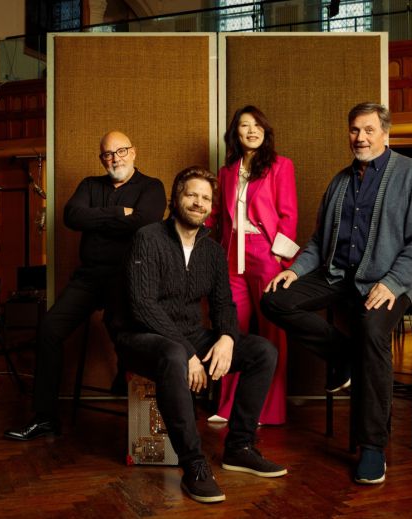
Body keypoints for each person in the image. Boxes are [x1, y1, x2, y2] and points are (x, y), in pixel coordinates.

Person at [261, 102, 412, 485]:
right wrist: (294, 271)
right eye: (355, 130)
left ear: (385, 133)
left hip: (392, 279)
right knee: (275, 299)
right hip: (339, 274)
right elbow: (318, 241)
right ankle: (343, 356)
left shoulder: (411, 173)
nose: (361, 138)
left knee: (371, 330)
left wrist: (392, 282)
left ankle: (372, 446)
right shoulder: (340, 182)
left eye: (369, 130)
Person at [111, 166, 287, 504]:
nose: (198, 202)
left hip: (189, 337)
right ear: (176, 198)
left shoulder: (213, 251)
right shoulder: (148, 238)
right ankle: (193, 463)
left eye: (205, 198)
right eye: (191, 194)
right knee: (174, 355)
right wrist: (188, 352)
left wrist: (227, 338)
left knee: (262, 351)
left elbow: (223, 304)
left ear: (211, 207)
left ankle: (239, 447)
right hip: (140, 337)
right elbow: (143, 306)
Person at [4, 131, 166, 441]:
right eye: (108, 154)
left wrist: (97, 219)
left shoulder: (151, 187)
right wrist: (119, 213)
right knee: (49, 329)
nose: (115, 158)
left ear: (134, 152)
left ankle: (130, 387)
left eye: (121, 151)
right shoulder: (90, 185)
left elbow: (145, 222)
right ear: (101, 159)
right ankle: (45, 418)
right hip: (88, 277)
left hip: (128, 278)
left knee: (126, 329)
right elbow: (72, 216)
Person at [207, 105, 298, 425]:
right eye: (245, 125)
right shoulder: (226, 171)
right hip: (232, 253)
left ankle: (270, 411)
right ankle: (229, 407)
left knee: (273, 330)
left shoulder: (280, 165)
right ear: (236, 132)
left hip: (266, 251)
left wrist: (279, 257)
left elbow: (288, 215)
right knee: (232, 328)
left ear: (265, 130)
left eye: (257, 125)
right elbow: (217, 216)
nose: (252, 130)